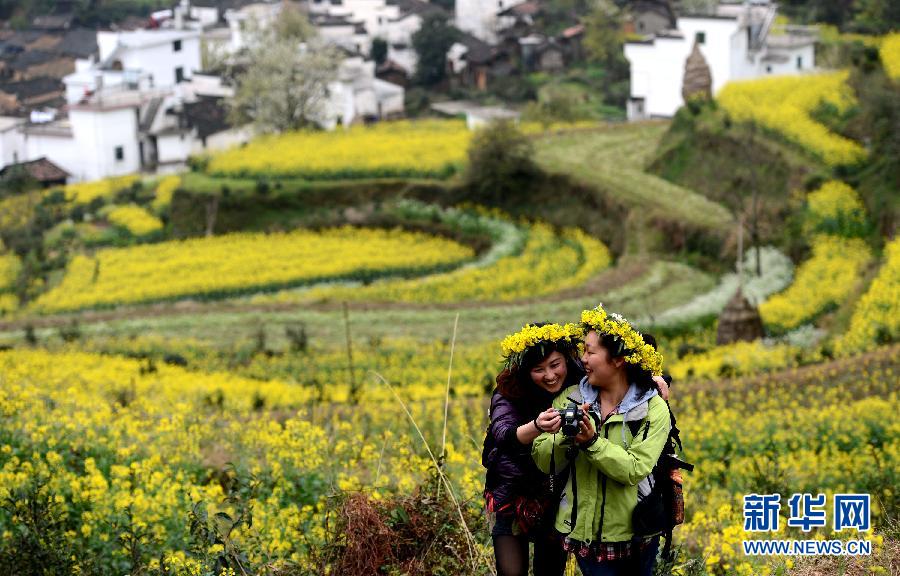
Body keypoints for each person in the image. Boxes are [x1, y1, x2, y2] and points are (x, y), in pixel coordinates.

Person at [532, 304, 671, 576]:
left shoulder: (653, 408)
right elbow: (543, 460)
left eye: (590, 351)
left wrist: (592, 442)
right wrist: (567, 436)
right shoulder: (571, 398)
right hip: (585, 536)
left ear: (618, 359)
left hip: (637, 535)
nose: (582, 359)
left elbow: (634, 469)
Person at [482, 322, 584, 576]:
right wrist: (536, 426)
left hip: (557, 494)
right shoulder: (509, 389)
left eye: (555, 365)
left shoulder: (580, 377)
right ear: (525, 370)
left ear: (567, 359)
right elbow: (503, 432)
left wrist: (658, 380)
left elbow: (620, 375)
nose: (549, 376)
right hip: (513, 490)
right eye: (538, 370)